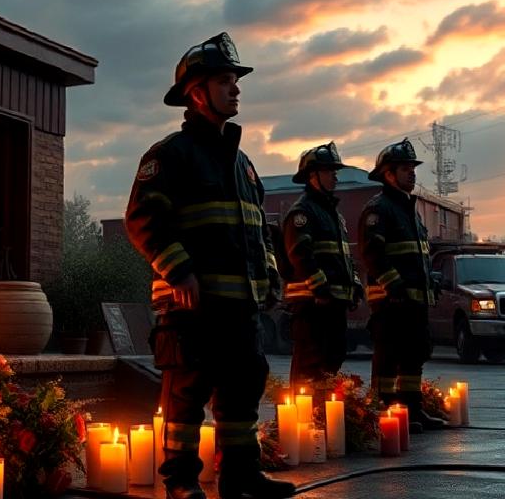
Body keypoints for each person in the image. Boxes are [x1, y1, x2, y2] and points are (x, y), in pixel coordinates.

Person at [125, 32, 295, 499]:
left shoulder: (244, 165)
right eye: (225, 81)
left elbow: (257, 230)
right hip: (192, 308)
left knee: (241, 394)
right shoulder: (169, 155)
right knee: (185, 397)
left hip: (240, 307)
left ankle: (241, 477)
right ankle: (181, 482)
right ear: (196, 92)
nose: (236, 88)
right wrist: (178, 270)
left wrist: (270, 279)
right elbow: (142, 217)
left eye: (235, 81)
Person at [359, 138, 445, 431]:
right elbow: (373, 253)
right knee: (389, 356)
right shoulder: (379, 209)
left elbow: (417, 255)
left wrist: (431, 279)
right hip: (391, 302)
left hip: (415, 301)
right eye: (405, 168)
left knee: (414, 355)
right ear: (387, 173)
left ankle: (412, 409)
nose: (412, 173)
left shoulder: (409, 210)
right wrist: (394, 286)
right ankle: (383, 410)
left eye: (413, 168)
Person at [282, 142, 363, 392]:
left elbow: (343, 257)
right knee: (310, 364)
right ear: (312, 176)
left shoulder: (333, 215)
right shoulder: (303, 212)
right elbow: (301, 255)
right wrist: (321, 289)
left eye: (335, 171)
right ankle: (304, 420)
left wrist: (355, 285)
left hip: (333, 304)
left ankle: (322, 416)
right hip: (312, 305)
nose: (335, 176)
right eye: (329, 171)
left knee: (332, 360)